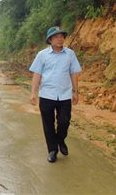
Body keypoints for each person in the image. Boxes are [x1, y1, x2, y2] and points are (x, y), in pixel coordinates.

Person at [29, 26, 82, 163]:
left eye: (62, 36)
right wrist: (33, 93)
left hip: (64, 95)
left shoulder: (70, 54)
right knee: (48, 124)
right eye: (57, 37)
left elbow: (74, 73)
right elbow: (37, 74)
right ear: (50, 39)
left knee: (64, 121)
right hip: (47, 94)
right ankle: (52, 150)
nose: (60, 39)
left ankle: (60, 140)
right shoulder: (42, 55)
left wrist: (76, 92)